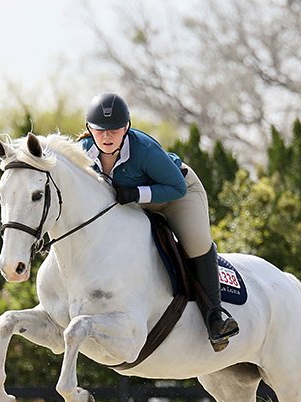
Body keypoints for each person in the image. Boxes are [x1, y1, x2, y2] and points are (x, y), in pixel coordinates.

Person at [79, 92, 239, 351]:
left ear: (127, 128)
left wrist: (136, 193)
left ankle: (215, 319)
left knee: (196, 244)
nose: (107, 137)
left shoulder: (144, 150)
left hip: (177, 195)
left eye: (115, 130)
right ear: (89, 129)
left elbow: (176, 188)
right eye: (100, 131)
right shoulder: (83, 152)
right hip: (132, 202)